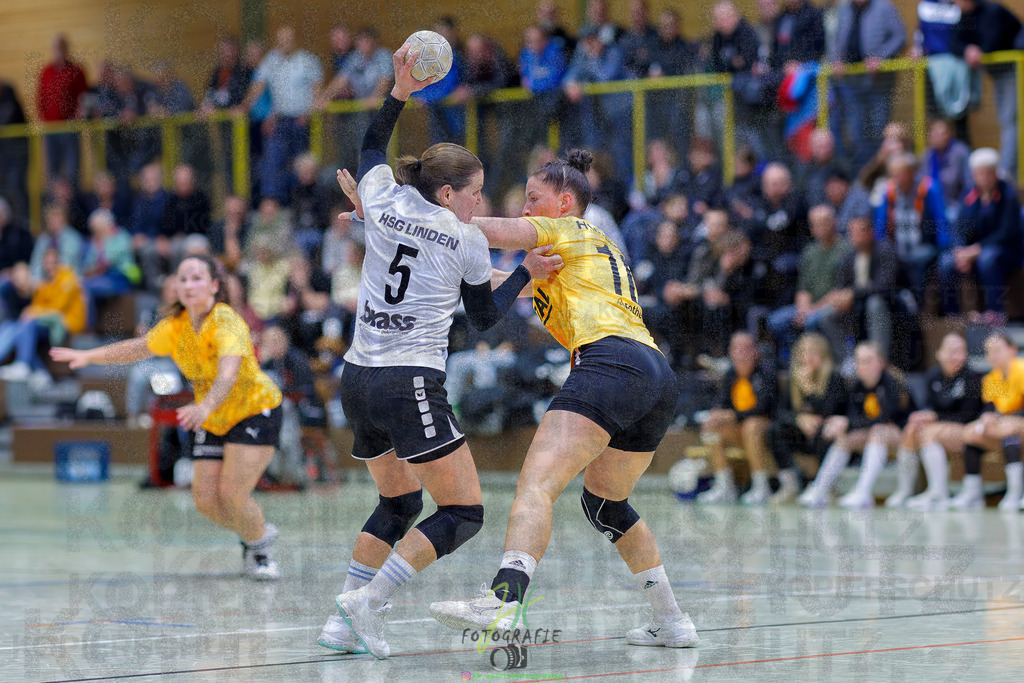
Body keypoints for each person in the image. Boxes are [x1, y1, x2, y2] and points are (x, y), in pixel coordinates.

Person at [315, 45, 561, 659]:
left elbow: (371, 147)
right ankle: (368, 604)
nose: (481, 205)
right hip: (410, 383)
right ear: (449, 193)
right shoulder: (462, 237)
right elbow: (481, 319)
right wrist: (525, 272)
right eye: (476, 194)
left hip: (359, 378)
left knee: (398, 500)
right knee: (464, 511)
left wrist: (399, 87)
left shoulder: (383, 199)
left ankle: (342, 623)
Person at [428, 154, 697, 645]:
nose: (527, 209)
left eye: (534, 199)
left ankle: (504, 602)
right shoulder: (577, 256)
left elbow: (496, 230)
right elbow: (496, 281)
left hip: (611, 361)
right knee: (605, 503)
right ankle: (673, 621)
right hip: (654, 376)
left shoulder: (567, 229)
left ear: (565, 202)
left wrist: (424, 215)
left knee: (536, 483)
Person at [50, 254, 285, 579]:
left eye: (197, 278)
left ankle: (259, 550)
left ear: (215, 286)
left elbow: (229, 373)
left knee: (232, 494)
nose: (189, 285)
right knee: (205, 501)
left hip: (254, 410)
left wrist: (203, 407)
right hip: (214, 417)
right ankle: (255, 529)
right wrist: (88, 355)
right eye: (183, 278)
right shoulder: (175, 327)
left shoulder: (227, 321)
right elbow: (137, 349)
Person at [798, 341, 912, 508]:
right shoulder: (857, 386)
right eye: (858, 360)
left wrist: (848, 422)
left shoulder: (891, 383)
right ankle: (819, 489)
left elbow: (884, 417)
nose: (862, 365)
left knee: (878, 431)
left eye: (867, 360)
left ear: (880, 362)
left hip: (903, 437)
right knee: (845, 437)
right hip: (874, 434)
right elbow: (854, 418)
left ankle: (863, 491)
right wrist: (842, 424)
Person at [900, 332, 983, 510]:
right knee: (912, 428)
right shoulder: (932, 376)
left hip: (970, 431)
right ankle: (905, 490)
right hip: (942, 428)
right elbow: (928, 407)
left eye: (961, 351)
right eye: (952, 351)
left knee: (929, 432)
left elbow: (968, 416)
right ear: (939, 353)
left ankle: (939, 493)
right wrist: (922, 416)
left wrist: (935, 417)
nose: (957, 356)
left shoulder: (972, 377)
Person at [937, 148, 1022, 321]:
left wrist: (976, 250)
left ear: (996, 173)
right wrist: (961, 252)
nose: (983, 177)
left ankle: (995, 312)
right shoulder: (969, 195)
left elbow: (1007, 233)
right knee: (946, 262)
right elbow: (960, 228)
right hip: (973, 251)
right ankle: (953, 316)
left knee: (986, 259)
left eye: (988, 173)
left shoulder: (1009, 195)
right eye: (979, 173)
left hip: (1006, 250)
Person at [697, 332, 778, 505]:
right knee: (711, 428)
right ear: (731, 352)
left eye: (746, 348)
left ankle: (761, 486)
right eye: (736, 348)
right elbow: (722, 403)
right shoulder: (730, 375)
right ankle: (724, 486)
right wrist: (717, 415)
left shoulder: (766, 374)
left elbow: (764, 407)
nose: (741, 353)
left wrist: (733, 415)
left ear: (755, 352)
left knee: (752, 425)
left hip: (763, 428)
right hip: (739, 429)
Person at [769, 332, 847, 503]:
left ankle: (827, 485)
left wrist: (810, 391)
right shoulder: (793, 379)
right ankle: (789, 484)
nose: (808, 357)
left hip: (827, 435)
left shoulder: (834, 378)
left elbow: (830, 410)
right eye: (804, 352)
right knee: (775, 430)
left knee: (824, 430)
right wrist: (799, 419)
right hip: (803, 435)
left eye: (814, 352)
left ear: (823, 354)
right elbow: (781, 412)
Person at [952, 332, 1024, 510]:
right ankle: (973, 493)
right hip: (1005, 426)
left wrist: (1010, 421)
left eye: (997, 350)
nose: (992, 355)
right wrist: (987, 416)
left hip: (1017, 422)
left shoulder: (1021, 369)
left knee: (1010, 435)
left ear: (1012, 350)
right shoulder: (991, 378)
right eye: (988, 351)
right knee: (974, 438)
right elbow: (991, 406)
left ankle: (1016, 492)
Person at [0, 248, 85, 387]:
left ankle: (23, 364)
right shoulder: (44, 284)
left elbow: (58, 308)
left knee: (26, 325)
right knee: (23, 328)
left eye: (53, 262)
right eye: (47, 263)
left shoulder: (67, 278)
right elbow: (37, 305)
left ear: (59, 262)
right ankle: (39, 371)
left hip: (66, 323)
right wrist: (34, 311)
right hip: (48, 323)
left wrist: (34, 311)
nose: (49, 266)